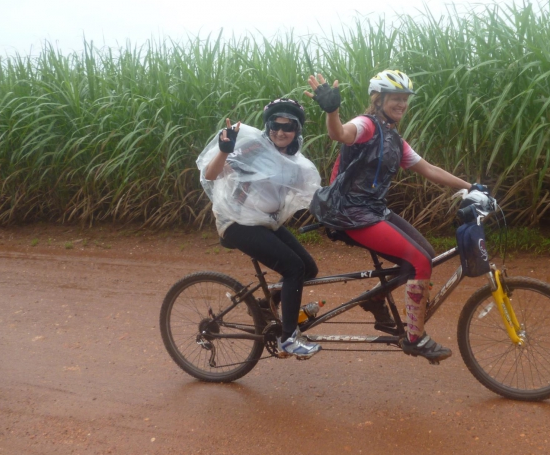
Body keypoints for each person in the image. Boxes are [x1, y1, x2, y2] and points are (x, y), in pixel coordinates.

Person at [305, 70, 487, 362]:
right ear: (378, 99)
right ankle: (415, 338)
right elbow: (340, 133)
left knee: (426, 253)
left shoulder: (394, 139)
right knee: (418, 261)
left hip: (373, 209)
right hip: (350, 213)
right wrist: (333, 111)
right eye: (395, 99)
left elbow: (428, 169)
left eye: (405, 99)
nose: (401, 104)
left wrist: (471, 187)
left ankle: (376, 300)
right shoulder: (366, 125)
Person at [196, 98, 322, 359]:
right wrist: (224, 150)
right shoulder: (252, 147)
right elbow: (210, 174)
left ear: (297, 130)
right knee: (293, 267)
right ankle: (288, 338)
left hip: (264, 223)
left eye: (288, 127)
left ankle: (266, 305)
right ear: (267, 126)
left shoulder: (296, 163)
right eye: (274, 125)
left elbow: (310, 195)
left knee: (308, 268)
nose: (280, 132)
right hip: (237, 223)